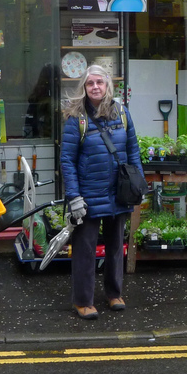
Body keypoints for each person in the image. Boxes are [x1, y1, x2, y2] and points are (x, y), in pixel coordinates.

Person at [60, 65, 143, 319]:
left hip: (118, 192)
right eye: (89, 83)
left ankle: (114, 294)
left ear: (108, 85)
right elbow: (67, 160)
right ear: (84, 88)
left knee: (116, 247)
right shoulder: (77, 118)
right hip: (88, 196)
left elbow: (133, 151)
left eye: (99, 82)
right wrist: (74, 197)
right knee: (84, 250)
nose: (95, 87)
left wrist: (138, 186)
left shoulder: (122, 113)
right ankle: (83, 301)